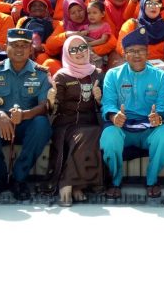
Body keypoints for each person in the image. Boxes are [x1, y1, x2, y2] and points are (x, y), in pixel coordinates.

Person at [0, 28, 52, 201]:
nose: (19, 49)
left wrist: (25, 115)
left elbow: (43, 106)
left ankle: (19, 178)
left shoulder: (41, 73)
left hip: (26, 126)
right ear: (6, 46)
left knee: (42, 124)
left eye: (24, 45)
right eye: (14, 45)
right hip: (0, 126)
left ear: (31, 49)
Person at [100, 26, 164, 199]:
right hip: (122, 126)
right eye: (132, 51)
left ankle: (152, 180)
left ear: (148, 53)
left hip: (148, 128)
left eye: (141, 50)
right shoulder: (113, 74)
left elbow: (163, 105)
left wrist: (159, 117)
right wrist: (113, 115)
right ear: (124, 54)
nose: (137, 55)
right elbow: (108, 103)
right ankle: (115, 180)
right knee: (109, 136)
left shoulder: (160, 76)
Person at [49, 35, 104, 207]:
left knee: (95, 132)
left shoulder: (97, 73)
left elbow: (106, 106)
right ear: (66, 53)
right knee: (88, 134)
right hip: (67, 124)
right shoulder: (62, 76)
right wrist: (51, 101)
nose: (79, 52)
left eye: (82, 48)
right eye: (73, 50)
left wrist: (99, 99)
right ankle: (69, 183)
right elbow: (53, 110)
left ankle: (74, 184)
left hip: (91, 121)